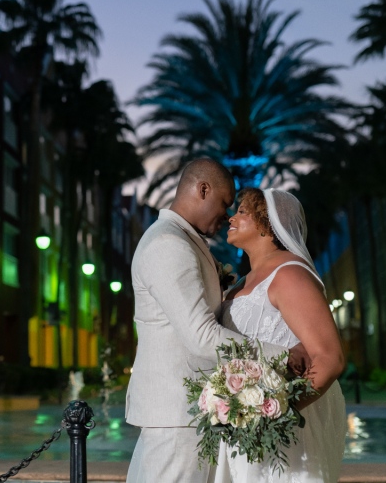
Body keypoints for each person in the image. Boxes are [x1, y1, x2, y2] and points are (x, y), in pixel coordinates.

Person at [125, 159, 310, 483]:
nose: (227, 215)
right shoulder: (169, 244)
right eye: (225, 203)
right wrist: (282, 354)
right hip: (177, 417)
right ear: (202, 189)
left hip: (185, 414)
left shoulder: (180, 240)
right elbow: (201, 336)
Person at [215, 188, 346, 483]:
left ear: (267, 224)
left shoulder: (289, 275)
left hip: (281, 425)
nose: (231, 218)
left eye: (243, 212)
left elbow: (329, 357)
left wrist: (274, 415)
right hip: (240, 420)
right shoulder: (243, 281)